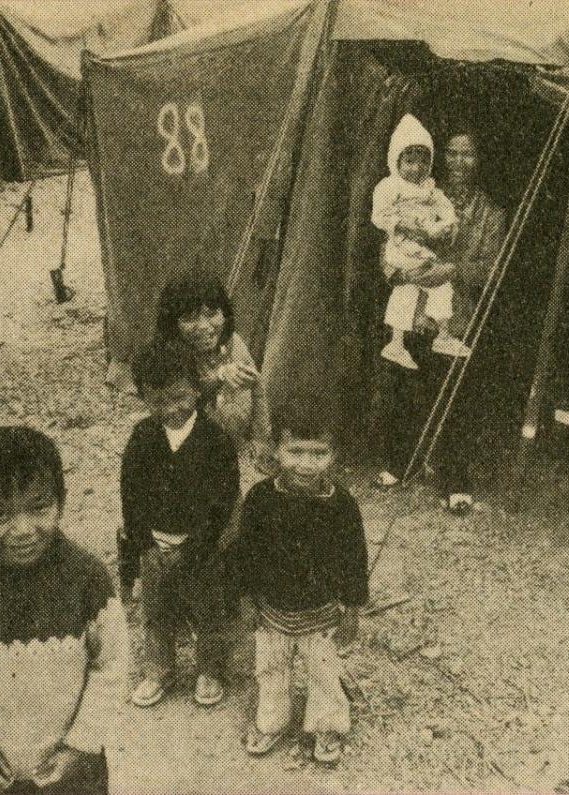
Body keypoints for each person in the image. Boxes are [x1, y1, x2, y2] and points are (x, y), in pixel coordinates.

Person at [0, 426, 127, 795]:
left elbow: (110, 665)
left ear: (60, 502)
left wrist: (80, 745)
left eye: (39, 507)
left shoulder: (87, 578)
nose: (24, 529)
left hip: (76, 771)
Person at [376, 126, 507, 514]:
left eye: (468, 154)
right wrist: (400, 273)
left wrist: (449, 271)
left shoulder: (492, 214)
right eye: (452, 153)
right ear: (441, 157)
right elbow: (388, 245)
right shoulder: (415, 195)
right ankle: (402, 464)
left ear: (479, 161)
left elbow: (492, 269)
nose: (459, 162)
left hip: (457, 316)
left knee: (455, 398)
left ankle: (455, 480)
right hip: (413, 308)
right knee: (405, 390)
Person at [235, 403, 369, 765]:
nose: (307, 463)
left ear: (333, 455)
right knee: (271, 668)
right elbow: (245, 551)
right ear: (277, 449)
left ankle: (327, 726)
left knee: (324, 671)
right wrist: (246, 597)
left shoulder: (342, 506)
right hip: (272, 610)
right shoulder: (261, 499)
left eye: (319, 453)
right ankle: (271, 721)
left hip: (321, 612)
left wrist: (352, 609)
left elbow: (354, 560)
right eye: (296, 451)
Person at [120, 342, 240, 708]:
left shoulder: (215, 438)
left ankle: (209, 669)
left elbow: (224, 498)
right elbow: (131, 493)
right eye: (159, 402)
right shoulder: (143, 438)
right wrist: (144, 542)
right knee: (155, 610)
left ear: (196, 388)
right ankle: (159, 667)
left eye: (180, 397)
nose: (172, 409)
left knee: (207, 609)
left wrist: (200, 544)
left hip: (200, 544)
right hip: (156, 544)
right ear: (144, 398)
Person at [371, 113, 464, 369]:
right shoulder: (390, 186)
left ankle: (399, 343)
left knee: (410, 291)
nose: (416, 168)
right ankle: (439, 335)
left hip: (421, 246)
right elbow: (379, 216)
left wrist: (449, 224)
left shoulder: (430, 189)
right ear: (397, 161)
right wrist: (406, 225)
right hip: (402, 247)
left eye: (423, 161)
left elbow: (445, 208)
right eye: (409, 161)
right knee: (438, 282)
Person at [155, 275, 272, 472]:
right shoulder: (169, 356)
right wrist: (220, 376)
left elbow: (257, 387)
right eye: (189, 318)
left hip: (235, 448)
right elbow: (187, 400)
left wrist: (261, 439)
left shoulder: (234, 343)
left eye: (211, 314)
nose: (203, 326)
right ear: (172, 324)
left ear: (224, 314)